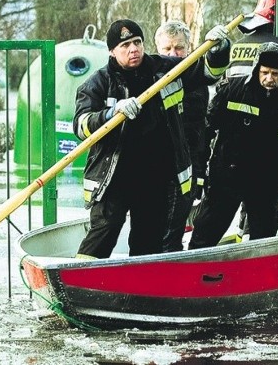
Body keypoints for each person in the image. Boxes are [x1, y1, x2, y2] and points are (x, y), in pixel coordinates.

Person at [73, 18, 230, 259]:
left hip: (154, 177)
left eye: (137, 42)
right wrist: (110, 114)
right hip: (114, 176)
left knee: (148, 241)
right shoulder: (97, 83)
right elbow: (81, 126)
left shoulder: (166, 69)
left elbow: (209, 73)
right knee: (104, 232)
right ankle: (77, 285)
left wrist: (219, 50)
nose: (133, 49)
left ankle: (140, 290)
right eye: (125, 45)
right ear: (112, 52)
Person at [188, 42, 278, 249]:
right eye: (264, 72)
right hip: (227, 177)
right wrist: (199, 170)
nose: (269, 79)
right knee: (205, 234)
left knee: (262, 243)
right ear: (256, 70)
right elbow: (206, 129)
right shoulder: (233, 89)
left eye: (275, 73)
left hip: (268, 184)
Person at [227, 0, 278, 238]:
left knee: (243, 201)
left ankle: (242, 235)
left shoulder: (237, 46)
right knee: (266, 214)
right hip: (270, 142)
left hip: (234, 140)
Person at [154, 20, 210, 252]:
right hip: (155, 167)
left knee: (173, 231)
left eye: (179, 48)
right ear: (158, 49)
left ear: (189, 48)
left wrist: (198, 174)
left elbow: (199, 134)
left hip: (186, 167)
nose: (173, 54)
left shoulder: (197, 82)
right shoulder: (149, 78)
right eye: (167, 49)